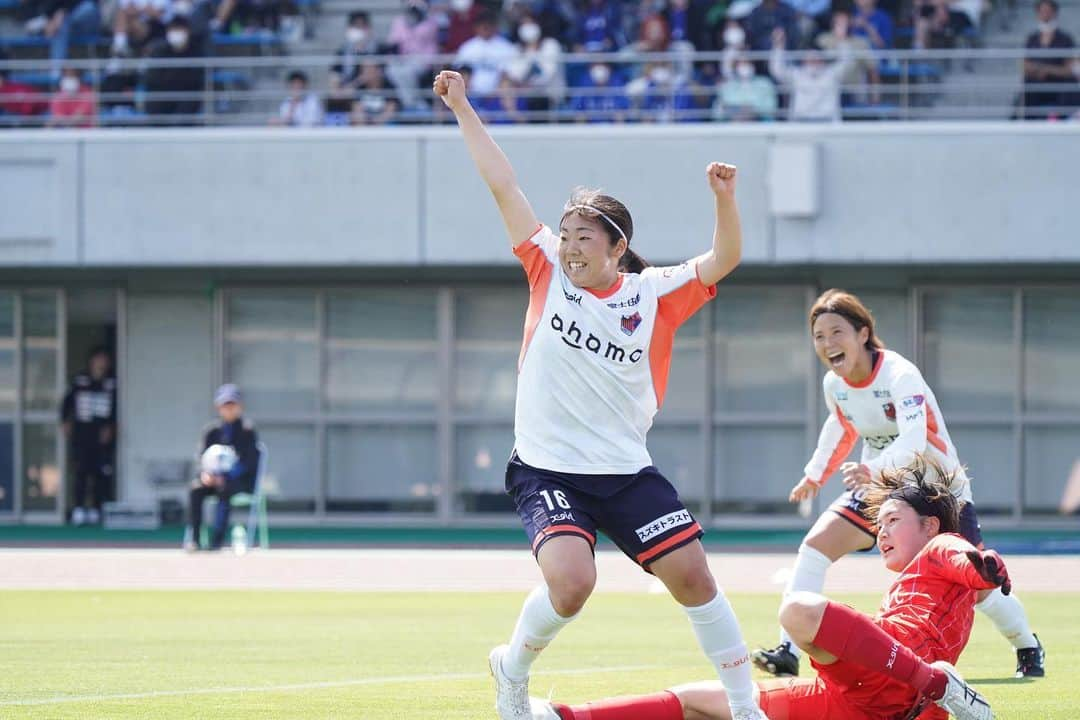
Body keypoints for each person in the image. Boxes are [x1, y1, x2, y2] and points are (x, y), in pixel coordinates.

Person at [432, 69, 766, 720]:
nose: (571, 244)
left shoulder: (654, 294)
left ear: (618, 248)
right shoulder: (545, 268)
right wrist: (462, 106)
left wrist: (724, 198)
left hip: (624, 471)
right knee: (572, 582)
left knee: (694, 578)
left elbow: (723, 258)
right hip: (547, 467)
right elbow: (502, 182)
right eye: (567, 233)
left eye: (586, 236)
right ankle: (513, 669)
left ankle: (745, 708)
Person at [529, 455, 1006, 720]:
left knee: (797, 611)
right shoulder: (920, 564)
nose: (879, 533)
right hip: (860, 700)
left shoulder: (941, 545)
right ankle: (565, 717)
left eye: (892, 521)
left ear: (927, 526)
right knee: (706, 702)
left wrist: (985, 564)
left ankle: (941, 686)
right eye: (877, 524)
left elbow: (959, 556)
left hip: (907, 684)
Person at [752, 289, 1045, 680]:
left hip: (936, 490)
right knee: (815, 547)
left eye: (836, 332)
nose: (827, 344)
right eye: (819, 336)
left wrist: (873, 471)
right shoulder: (833, 385)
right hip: (879, 489)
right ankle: (788, 649)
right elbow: (840, 425)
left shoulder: (900, 375)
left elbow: (913, 440)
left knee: (977, 586)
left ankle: (1026, 643)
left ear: (863, 333)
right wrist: (815, 474)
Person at [184, 383, 259, 551]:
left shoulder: (247, 431)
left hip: (237, 483)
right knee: (195, 489)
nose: (229, 409)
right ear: (218, 407)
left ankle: (216, 541)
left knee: (225, 489)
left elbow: (249, 462)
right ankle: (195, 540)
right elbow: (200, 457)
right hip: (211, 480)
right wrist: (205, 474)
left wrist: (226, 476)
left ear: (240, 407)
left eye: (233, 405)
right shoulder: (211, 431)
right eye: (225, 405)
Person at [61, 347, 116, 526]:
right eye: (98, 359)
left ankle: (96, 508)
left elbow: (116, 407)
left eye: (104, 359)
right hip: (82, 433)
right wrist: (65, 421)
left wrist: (111, 426)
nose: (102, 363)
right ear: (92, 361)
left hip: (101, 433)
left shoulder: (111, 382)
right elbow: (67, 402)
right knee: (80, 471)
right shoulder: (80, 380)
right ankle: (78, 508)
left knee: (100, 472)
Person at [769, 27, 852, 121]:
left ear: (823, 60)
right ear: (803, 61)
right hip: (802, 123)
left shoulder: (832, 73)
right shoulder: (796, 74)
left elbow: (847, 62)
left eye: (816, 59)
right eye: (809, 60)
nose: (813, 62)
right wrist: (778, 45)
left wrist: (841, 39)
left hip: (827, 123)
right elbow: (777, 70)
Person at [1020, 0, 1077, 120]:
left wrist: (1046, 69)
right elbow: (1025, 65)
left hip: (1059, 83)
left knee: (1070, 83)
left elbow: (1070, 69)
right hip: (1038, 81)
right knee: (1027, 83)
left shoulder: (1065, 38)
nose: (1045, 14)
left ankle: (1058, 118)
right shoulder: (1032, 38)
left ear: (1055, 13)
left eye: (1048, 11)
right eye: (1042, 11)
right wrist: (1039, 71)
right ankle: (1030, 122)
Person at [144, 16, 205, 124]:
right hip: (164, 94)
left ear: (187, 32)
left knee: (188, 105)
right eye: (173, 29)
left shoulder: (196, 52)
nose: (176, 33)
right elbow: (152, 77)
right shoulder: (160, 52)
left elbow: (196, 78)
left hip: (187, 96)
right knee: (155, 105)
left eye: (179, 29)